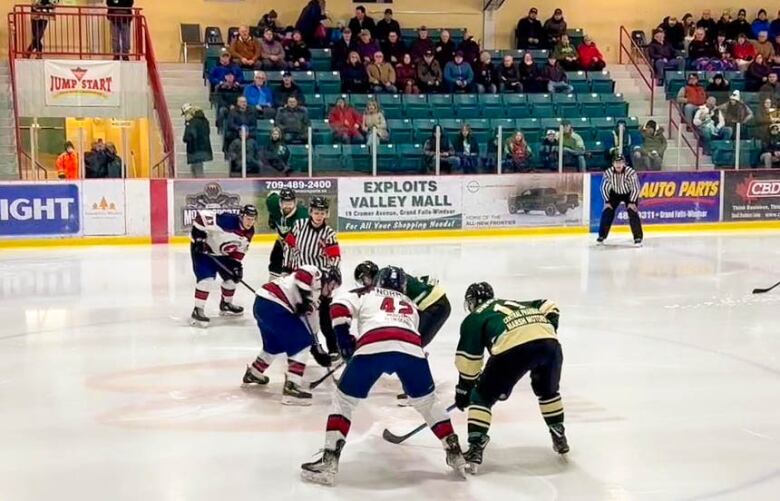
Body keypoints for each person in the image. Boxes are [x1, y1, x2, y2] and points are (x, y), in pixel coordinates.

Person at [301, 267, 466, 486]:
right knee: (428, 402)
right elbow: (401, 336)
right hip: (412, 349)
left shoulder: (365, 292)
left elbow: (339, 308)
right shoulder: (410, 305)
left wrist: (344, 340)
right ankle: (454, 451)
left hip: (373, 346)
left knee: (344, 401)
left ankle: (329, 460)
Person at [455, 283, 567, 473]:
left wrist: (464, 390)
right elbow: (550, 305)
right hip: (550, 344)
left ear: (472, 302)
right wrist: (547, 330)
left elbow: (468, 363)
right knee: (548, 392)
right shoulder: (516, 303)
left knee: (481, 398)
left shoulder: (474, 318)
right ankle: (559, 433)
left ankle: (475, 449)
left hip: (513, 349)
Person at [353, 262, 453, 404]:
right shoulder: (386, 277)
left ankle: (418, 390)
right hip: (433, 305)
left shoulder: (383, 282)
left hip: (434, 307)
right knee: (410, 345)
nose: (364, 283)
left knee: (412, 346)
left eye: (363, 279)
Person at [242, 266, 340, 404]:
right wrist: (304, 297)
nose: (331, 290)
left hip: (264, 306)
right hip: (273, 304)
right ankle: (292, 388)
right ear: (327, 278)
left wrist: (317, 348)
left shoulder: (316, 299)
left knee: (274, 346)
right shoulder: (315, 273)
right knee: (301, 343)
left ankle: (254, 373)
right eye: (332, 285)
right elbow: (303, 273)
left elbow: (311, 326)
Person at [284, 197, 342, 357]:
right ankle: (298, 345)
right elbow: (289, 245)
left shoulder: (328, 233)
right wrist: (286, 267)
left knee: (324, 314)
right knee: (297, 312)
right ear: (310, 212)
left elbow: (334, 256)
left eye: (322, 213)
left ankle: (334, 348)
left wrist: (333, 271)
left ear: (326, 214)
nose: (319, 216)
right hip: (299, 277)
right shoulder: (299, 225)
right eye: (316, 212)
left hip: (319, 279)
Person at [189, 204, 257, 327]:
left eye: (253, 219)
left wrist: (236, 265)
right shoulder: (227, 220)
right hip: (205, 251)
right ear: (241, 216)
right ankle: (197, 310)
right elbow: (201, 217)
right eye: (248, 218)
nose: (250, 222)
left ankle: (226, 304)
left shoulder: (250, 232)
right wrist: (199, 238)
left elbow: (240, 250)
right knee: (207, 280)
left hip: (223, 254)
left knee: (232, 279)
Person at [597, 155, 643, 246]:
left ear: (624, 163)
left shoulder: (630, 172)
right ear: (613, 164)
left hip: (629, 194)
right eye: (616, 163)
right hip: (614, 193)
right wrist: (607, 201)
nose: (618, 165)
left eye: (620, 163)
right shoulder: (608, 172)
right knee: (607, 211)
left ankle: (638, 237)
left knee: (632, 211)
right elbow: (604, 187)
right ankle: (601, 236)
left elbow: (636, 188)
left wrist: (632, 202)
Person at [264, 188, 306, 280]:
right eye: (285, 203)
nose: (288, 206)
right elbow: (272, 193)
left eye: (290, 203)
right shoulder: (273, 204)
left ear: (295, 203)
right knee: (275, 263)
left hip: (296, 245)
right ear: (280, 202)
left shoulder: (302, 215)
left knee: (294, 267)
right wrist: (271, 217)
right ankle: (273, 284)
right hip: (281, 240)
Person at [182, 104, 213, 179]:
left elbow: (188, 136)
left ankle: (200, 188)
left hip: (195, 149)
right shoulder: (205, 121)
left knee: (197, 172)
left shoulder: (192, 122)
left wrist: (187, 123)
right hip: (204, 149)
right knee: (196, 169)